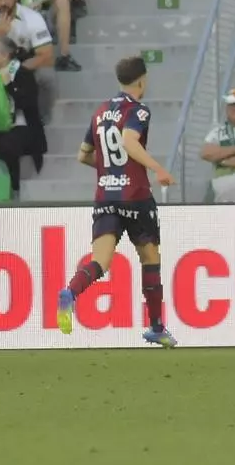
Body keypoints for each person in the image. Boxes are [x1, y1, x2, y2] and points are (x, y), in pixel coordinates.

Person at [57, 55, 177, 346]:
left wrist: (109, 171)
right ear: (142, 80)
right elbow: (129, 141)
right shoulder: (138, 110)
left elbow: (83, 155)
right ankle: (157, 327)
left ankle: (70, 293)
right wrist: (157, 168)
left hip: (105, 196)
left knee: (100, 261)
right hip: (135, 196)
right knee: (150, 259)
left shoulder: (100, 112)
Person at [0, 36, 47, 194]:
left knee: (6, 147)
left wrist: (9, 85)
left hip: (19, 125)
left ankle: (11, 190)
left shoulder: (22, 74)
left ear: (4, 56)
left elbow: (28, 104)